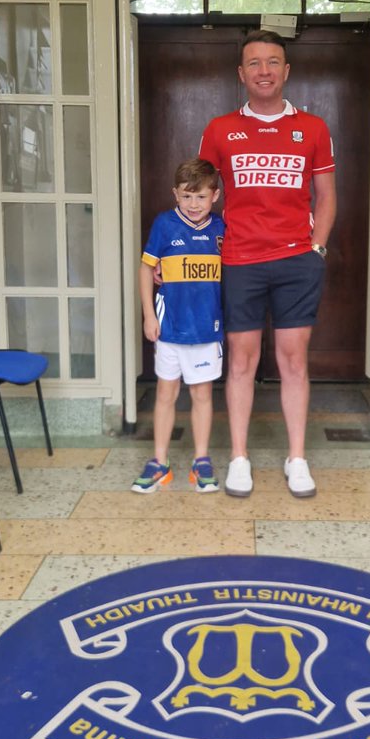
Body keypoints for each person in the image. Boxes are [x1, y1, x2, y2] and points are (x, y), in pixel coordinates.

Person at [199, 29, 336, 499]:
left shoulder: (313, 128)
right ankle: (239, 457)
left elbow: (327, 195)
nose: (264, 71)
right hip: (240, 260)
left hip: (297, 260)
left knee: (294, 361)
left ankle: (297, 458)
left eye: (273, 62)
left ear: (286, 71)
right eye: (254, 63)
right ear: (241, 74)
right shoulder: (219, 130)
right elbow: (198, 197)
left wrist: (317, 248)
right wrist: (182, 249)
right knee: (240, 360)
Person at [131, 157, 225, 494]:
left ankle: (201, 461)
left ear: (214, 195)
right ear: (175, 195)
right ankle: (160, 461)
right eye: (186, 196)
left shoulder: (221, 229)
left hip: (206, 330)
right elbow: (146, 269)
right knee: (165, 393)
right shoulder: (164, 225)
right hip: (169, 328)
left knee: (202, 394)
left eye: (201, 196)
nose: (193, 204)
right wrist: (148, 315)